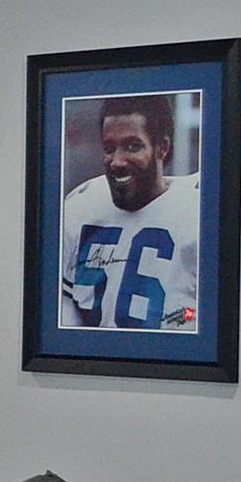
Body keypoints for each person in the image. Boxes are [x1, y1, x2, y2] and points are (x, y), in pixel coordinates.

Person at [60, 94, 200, 329]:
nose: (117, 161)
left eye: (132, 146)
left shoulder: (198, 209)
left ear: (162, 148)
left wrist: (183, 319)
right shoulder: (82, 204)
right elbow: (62, 310)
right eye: (109, 148)